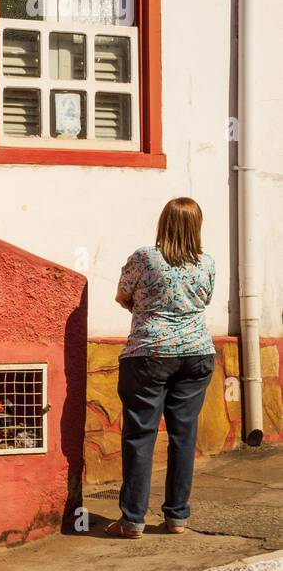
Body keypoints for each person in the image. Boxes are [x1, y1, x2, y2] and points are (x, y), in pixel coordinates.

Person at [107, 197, 216, 538]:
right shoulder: (207, 262)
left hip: (149, 353)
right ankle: (177, 517)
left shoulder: (145, 257)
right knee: (184, 437)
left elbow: (123, 295)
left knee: (141, 435)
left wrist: (146, 312)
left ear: (164, 222)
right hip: (197, 353)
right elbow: (205, 300)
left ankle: (133, 519)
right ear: (196, 226)